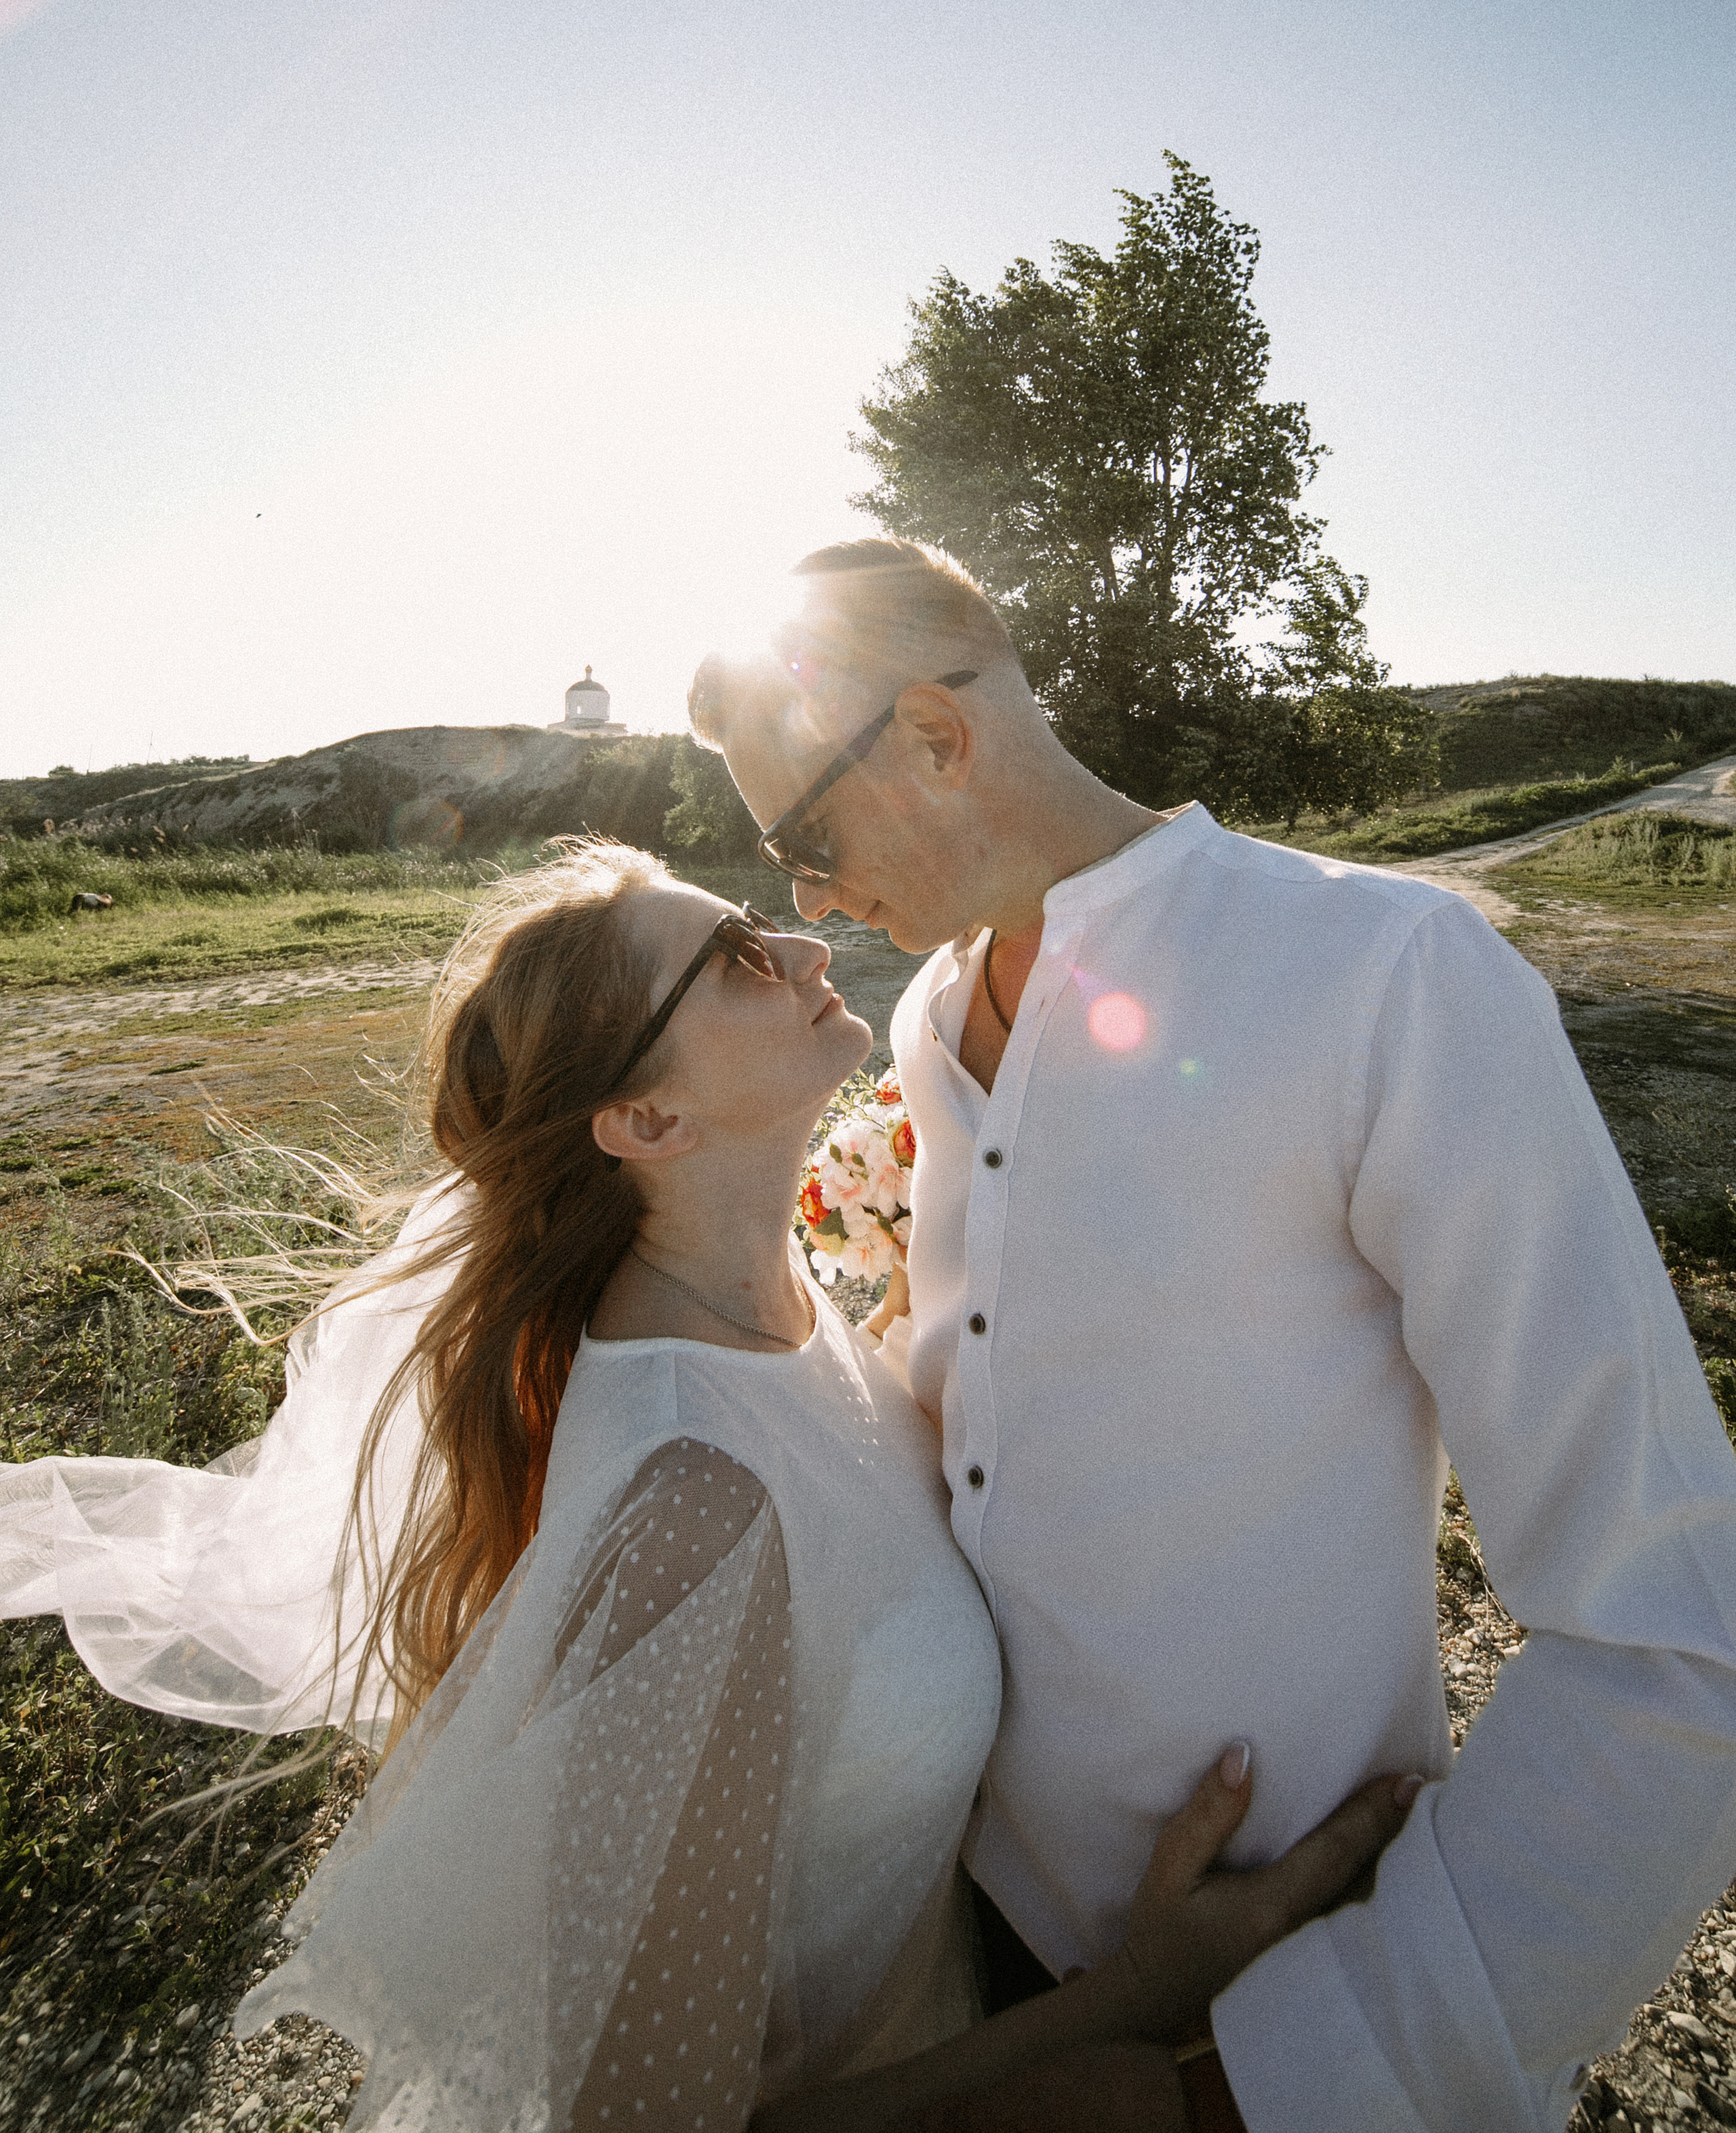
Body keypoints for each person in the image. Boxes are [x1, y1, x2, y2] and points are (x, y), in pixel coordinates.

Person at [0, 841, 1415, 2132]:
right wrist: (1137, 1995)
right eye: (734, 957)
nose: (802, 947)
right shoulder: (692, 1505)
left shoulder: (778, 1311)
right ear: (645, 1122)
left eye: (758, 924)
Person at [690, 538, 1736, 2133]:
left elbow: (1668, 1623)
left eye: (804, 841)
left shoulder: (1389, 974)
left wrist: (1311, 2067)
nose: (813, 904)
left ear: (934, 737)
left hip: (1289, 2010)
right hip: (971, 1969)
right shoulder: (919, 1022)